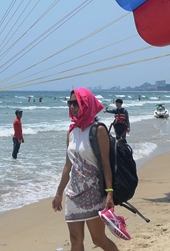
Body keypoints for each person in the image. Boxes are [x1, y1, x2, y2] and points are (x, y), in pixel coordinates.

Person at [52, 88, 119, 251]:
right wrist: (59, 193)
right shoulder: (71, 132)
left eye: (76, 103)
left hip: (93, 195)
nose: (72, 106)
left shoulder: (99, 130)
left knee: (99, 240)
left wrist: (110, 192)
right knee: (75, 240)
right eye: (70, 103)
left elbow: (105, 164)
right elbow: (68, 166)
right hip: (73, 195)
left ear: (86, 104)